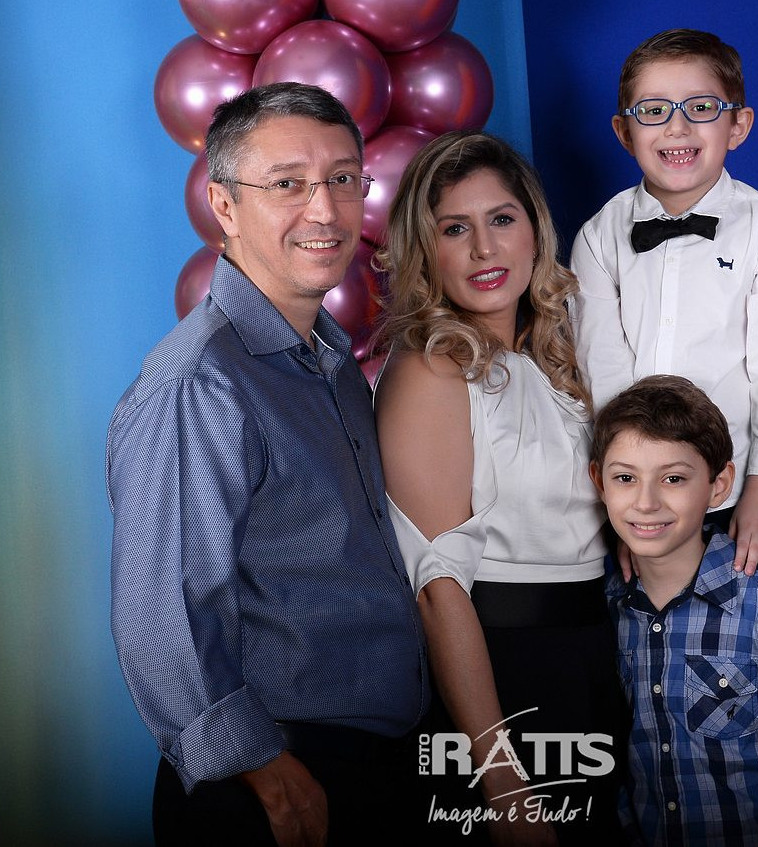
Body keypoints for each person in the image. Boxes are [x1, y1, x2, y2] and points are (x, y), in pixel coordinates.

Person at [107, 82, 428, 846]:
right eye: (287, 184)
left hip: (372, 759)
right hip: (278, 774)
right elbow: (162, 609)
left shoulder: (330, 365)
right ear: (223, 205)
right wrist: (254, 764)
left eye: (342, 179)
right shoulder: (200, 383)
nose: (325, 211)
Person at [374, 131, 625, 844]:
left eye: (501, 219)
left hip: (589, 663)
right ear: (426, 250)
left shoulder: (560, 360)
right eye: (455, 228)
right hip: (500, 676)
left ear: (533, 229)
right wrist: (502, 780)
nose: (485, 249)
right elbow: (436, 588)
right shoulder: (431, 369)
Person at [571, 28, 758, 590]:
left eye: (701, 108)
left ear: (738, 125)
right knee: (651, 631)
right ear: (624, 132)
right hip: (644, 496)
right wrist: (626, 497)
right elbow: (602, 370)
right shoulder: (600, 237)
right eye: (653, 110)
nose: (677, 127)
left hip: (744, 485)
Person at [590, 375, 758, 845]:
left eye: (674, 479)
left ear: (719, 485)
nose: (646, 503)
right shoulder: (612, 606)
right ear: (600, 482)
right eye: (625, 478)